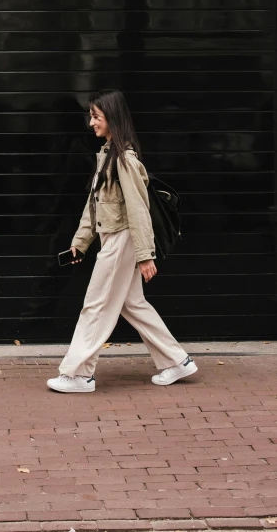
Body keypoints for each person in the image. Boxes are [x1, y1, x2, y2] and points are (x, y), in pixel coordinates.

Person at [47, 89, 198, 393]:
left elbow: (139, 210)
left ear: (112, 119)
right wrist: (81, 242)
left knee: (96, 305)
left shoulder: (124, 160)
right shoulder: (106, 156)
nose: (91, 123)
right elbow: (95, 207)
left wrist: (145, 255)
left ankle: (80, 374)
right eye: (91, 116)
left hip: (121, 241)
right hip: (113, 239)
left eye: (96, 117)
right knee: (133, 304)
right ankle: (177, 361)